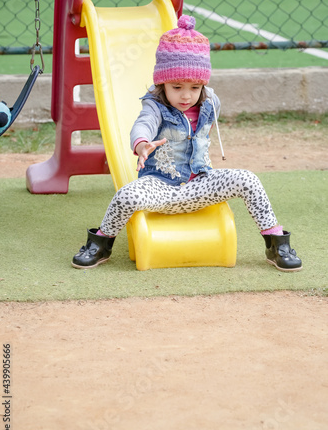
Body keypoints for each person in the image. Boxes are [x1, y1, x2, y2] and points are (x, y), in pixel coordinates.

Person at [72, 15, 302, 272]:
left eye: (194, 87)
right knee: (126, 195)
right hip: (161, 188)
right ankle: (101, 242)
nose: (186, 95)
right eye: (177, 86)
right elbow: (143, 124)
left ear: (203, 84)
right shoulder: (155, 105)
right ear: (162, 82)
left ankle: (276, 243)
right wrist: (142, 144)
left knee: (248, 179)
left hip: (200, 186)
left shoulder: (210, 103)